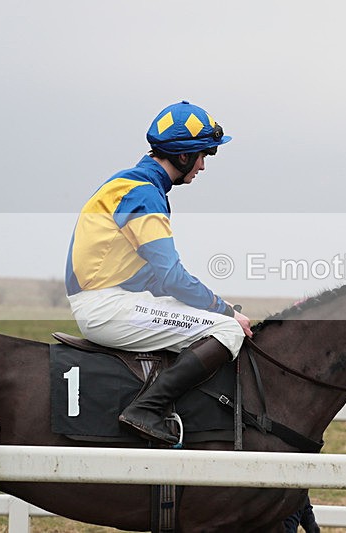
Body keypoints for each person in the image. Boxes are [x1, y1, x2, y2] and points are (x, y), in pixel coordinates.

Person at [65, 100, 252, 444]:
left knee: (213, 319)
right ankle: (145, 409)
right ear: (183, 157)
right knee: (227, 330)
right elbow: (171, 278)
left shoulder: (132, 184)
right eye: (204, 155)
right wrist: (226, 311)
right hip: (108, 308)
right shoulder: (144, 194)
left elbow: (152, 278)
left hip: (114, 300)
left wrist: (207, 305)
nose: (203, 166)